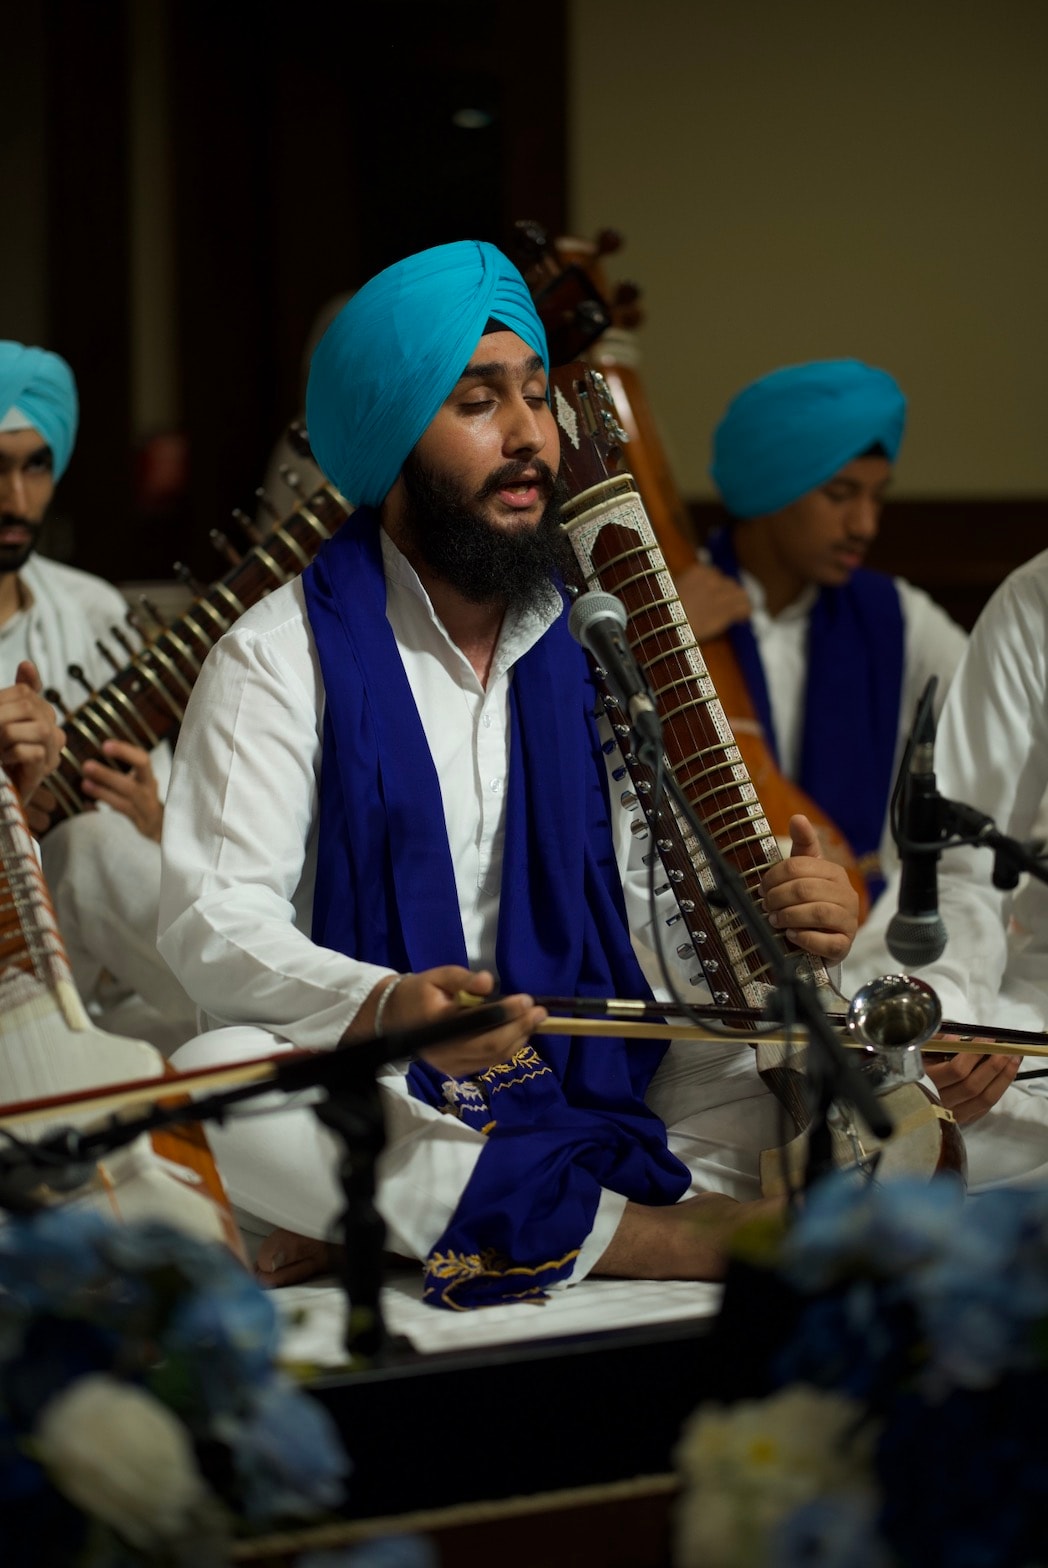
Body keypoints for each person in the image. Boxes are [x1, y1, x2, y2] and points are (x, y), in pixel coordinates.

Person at [157, 240, 860, 1308]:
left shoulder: (592, 631)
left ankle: (419, 1225)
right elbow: (212, 920)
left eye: (533, 393)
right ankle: (661, 1240)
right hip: (396, 1076)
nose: (530, 432)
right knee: (226, 1076)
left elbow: (648, 899)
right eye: (478, 401)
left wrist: (776, 910)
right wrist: (388, 1002)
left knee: (800, 1062)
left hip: (588, 1068)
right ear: (393, 436)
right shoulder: (276, 653)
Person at [677, 361, 968, 909]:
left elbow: (1000, 725)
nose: (865, 525)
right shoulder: (674, 593)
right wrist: (662, 637)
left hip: (864, 930)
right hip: (702, 927)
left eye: (877, 497)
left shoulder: (893, 613)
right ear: (772, 490)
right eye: (840, 495)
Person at [0, 341, 197, 1053]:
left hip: (116, 981)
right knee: (83, 844)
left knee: (225, 1055)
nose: (16, 501)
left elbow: (175, 824)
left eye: (35, 466)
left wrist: (153, 816)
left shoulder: (94, 612)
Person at [843, 549, 1048, 1188]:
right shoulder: (1036, 600)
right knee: (893, 1139)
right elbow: (962, 866)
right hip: (1039, 1019)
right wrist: (949, 1017)